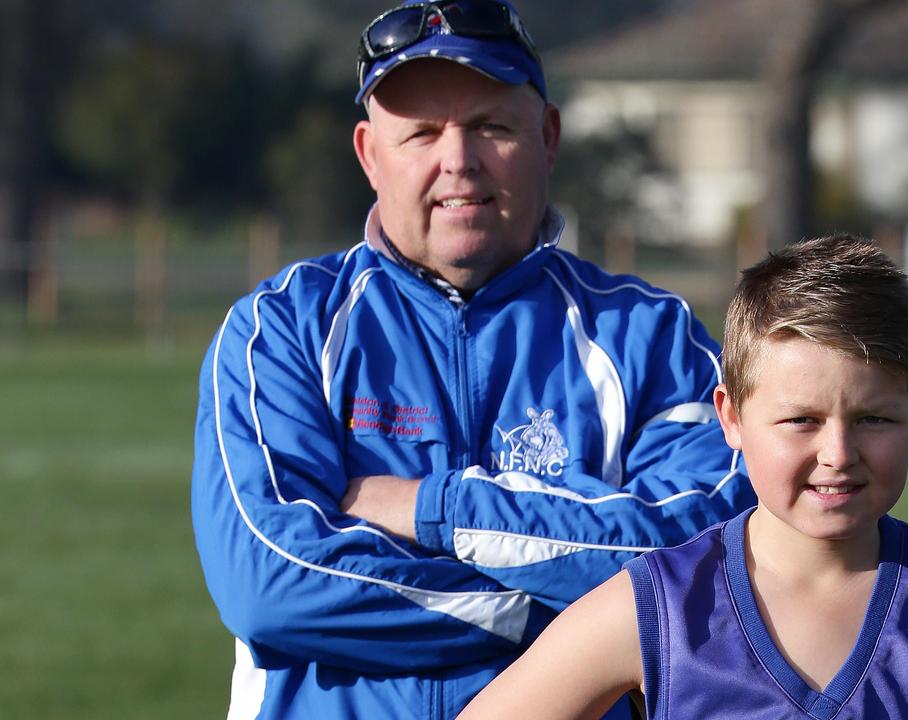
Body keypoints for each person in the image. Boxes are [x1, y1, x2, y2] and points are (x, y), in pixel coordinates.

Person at [189, 1, 754, 717]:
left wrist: (433, 510)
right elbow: (270, 584)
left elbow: (702, 564)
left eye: (490, 126)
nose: (457, 160)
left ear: (547, 138)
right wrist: (580, 623)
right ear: (369, 155)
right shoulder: (280, 331)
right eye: (421, 133)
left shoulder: (652, 337)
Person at [459, 235, 908, 720]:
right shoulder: (655, 609)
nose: (838, 452)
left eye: (874, 419)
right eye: (801, 421)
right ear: (731, 417)